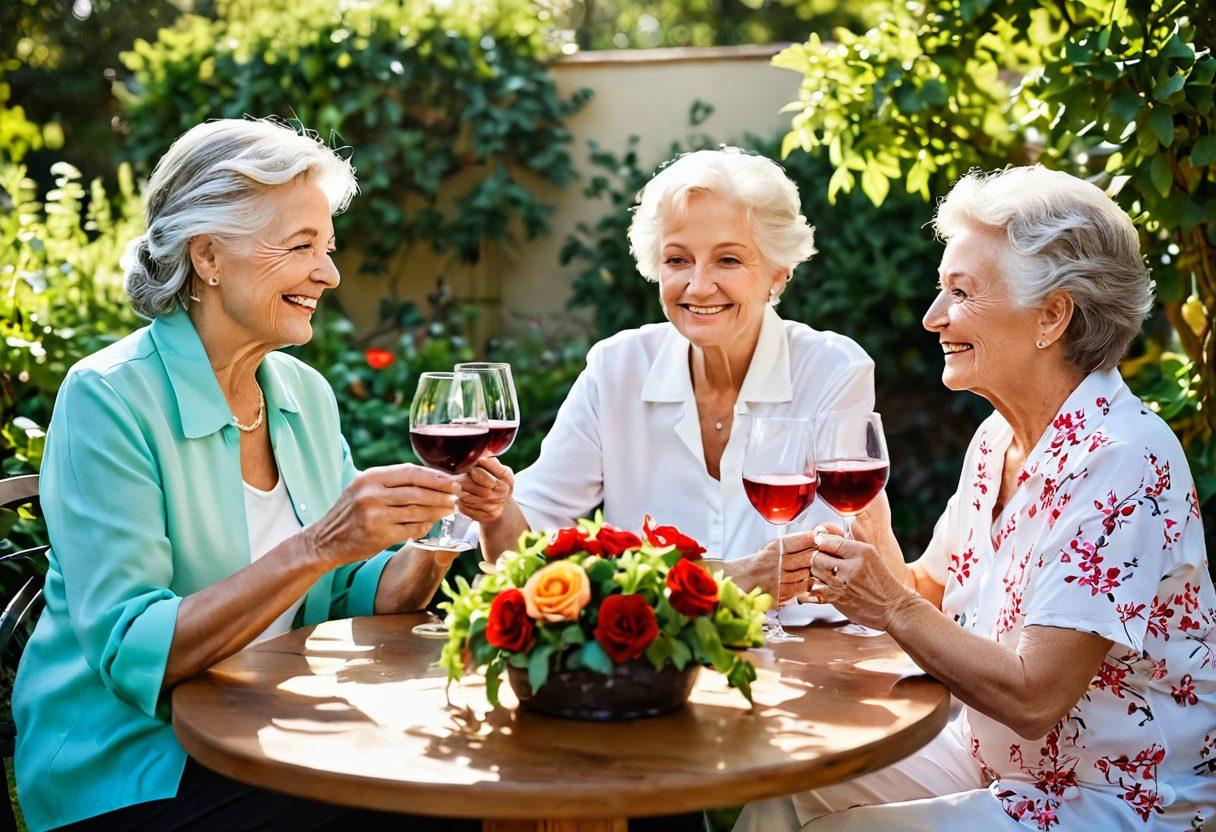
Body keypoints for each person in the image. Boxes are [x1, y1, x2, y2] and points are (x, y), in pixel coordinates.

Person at [12, 118, 479, 832]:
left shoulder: (299, 394)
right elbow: (137, 649)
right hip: (140, 771)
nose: (329, 273)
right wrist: (321, 543)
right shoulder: (108, 397)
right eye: (302, 248)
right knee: (423, 808)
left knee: (478, 776)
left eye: (327, 248)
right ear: (209, 256)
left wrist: (431, 538)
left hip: (278, 727)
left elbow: (347, 591)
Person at [736, 165, 1215, 831]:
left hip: (1115, 799)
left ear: (1051, 316)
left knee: (843, 828)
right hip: (1003, 760)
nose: (934, 318)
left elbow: (1033, 694)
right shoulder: (998, 438)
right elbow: (926, 590)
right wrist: (867, 534)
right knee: (791, 773)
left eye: (960, 293)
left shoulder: (1120, 460)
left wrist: (891, 601)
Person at [463, 147, 875, 607]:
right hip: (654, 659)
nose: (698, 286)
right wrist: (493, 508)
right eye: (677, 260)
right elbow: (522, 557)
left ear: (778, 275)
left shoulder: (834, 370)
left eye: (729, 260)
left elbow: (828, 563)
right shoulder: (616, 368)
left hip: (812, 658)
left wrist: (632, 574)